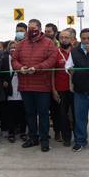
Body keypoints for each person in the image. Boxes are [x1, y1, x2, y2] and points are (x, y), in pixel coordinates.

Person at [12, 19, 57, 152]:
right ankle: (33, 138)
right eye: (29, 28)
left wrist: (37, 68)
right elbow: (14, 60)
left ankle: (44, 140)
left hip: (42, 86)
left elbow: (52, 60)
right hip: (26, 86)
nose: (31, 30)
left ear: (39, 28)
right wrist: (20, 68)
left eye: (34, 28)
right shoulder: (21, 44)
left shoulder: (48, 43)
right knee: (30, 113)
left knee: (43, 114)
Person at [53, 28, 76, 147]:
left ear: (71, 39)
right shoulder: (55, 52)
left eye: (66, 37)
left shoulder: (76, 52)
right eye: (61, 37)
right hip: (60, 89)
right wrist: (53, 90)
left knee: (77, 114)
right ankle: (66, 137)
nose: (64, 39)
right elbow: (52, 73)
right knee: (62, 114)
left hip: (76, 89)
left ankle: (79, 137)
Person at [3, 41, 27, 143]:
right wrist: (3, 81)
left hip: (22, 88)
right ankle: (11, 133)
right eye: (11, 47)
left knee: (22, 113)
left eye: (15, 47)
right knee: (10, 113)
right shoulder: (4, 59)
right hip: (10, 89)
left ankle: (22, 132)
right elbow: (1, 72)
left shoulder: (23, 58)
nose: (13, 49)